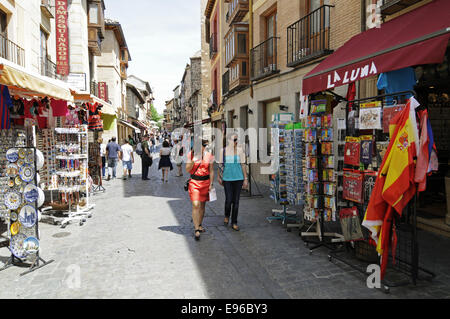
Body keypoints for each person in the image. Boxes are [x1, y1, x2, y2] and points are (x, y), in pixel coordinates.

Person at [186, 139, 214, 241]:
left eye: (204, 146)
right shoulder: (191, 155)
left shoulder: (209, 156)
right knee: (196, 204)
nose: (203, 148)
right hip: (194, 182)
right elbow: (187, 169)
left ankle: (200, 224)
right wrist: (194, 160)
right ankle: (196, 229)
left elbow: (211, 171)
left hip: (205, 183)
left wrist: (211, 184)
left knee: (202, 205)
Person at [219, 133, 248, 231]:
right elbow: (220, 165)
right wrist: (219, 177)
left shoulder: (240, 151)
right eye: (234, 140)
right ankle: (227, 215)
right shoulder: (222, 151)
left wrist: (245, 179)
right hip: (227, 178)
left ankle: (234, 222)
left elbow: (243, 165)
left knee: (236, 201)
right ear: (228, 141)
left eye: (236, 139)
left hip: (238, 178)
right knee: (228, 200)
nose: (236, 142)